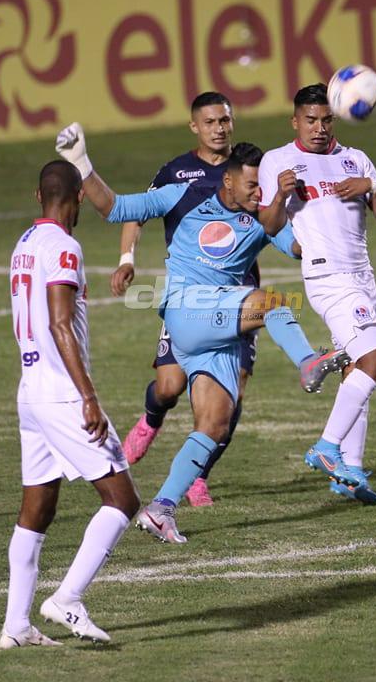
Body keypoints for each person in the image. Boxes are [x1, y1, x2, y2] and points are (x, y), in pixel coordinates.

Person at [55, 123, 348, 543]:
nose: (257, 192)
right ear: (227, 180)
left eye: (262, 185)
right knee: (274, 304)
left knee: (214, 425)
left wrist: (322, 209)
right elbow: (115, 208)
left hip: (220, 330)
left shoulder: (264, 215)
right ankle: (308, 364)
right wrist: (80, 161)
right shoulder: (183, 194)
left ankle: (161, 509)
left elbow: (302, 247)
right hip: (186, 308)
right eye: (251, 185)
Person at [0, 159, 140, 648]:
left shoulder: (24, 244)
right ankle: (68, 599)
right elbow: (61, 324)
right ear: (80, 198)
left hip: (30, 392)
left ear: (39, 197)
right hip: (61, 392)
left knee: (37, 508)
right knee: (123, 500)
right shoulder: (64, 246)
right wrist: (89, 398)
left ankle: (15, 627)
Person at [113, 92, 258, 507]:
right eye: (210, 122)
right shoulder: (176, 174)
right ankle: (150, 420)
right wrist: (127, 259)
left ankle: (198, 474)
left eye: (225, 121)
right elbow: (136, 213)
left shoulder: (249, 172)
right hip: (187, 298)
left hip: (237, 299)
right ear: (195, 127)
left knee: (233, 396)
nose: (219, 129)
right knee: (170, 385)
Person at [258, 83, 376, 505]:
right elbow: (267, 224)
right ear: (295, 121)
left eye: (325, 120)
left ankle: (350, 472)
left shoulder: (355, 160)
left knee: (356, 367)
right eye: (310, 120)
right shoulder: (278, 161)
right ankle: (327, 447)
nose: (318, 128)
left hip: (362, 276)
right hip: (327, 277)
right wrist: (281, 194)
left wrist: (372, 188)